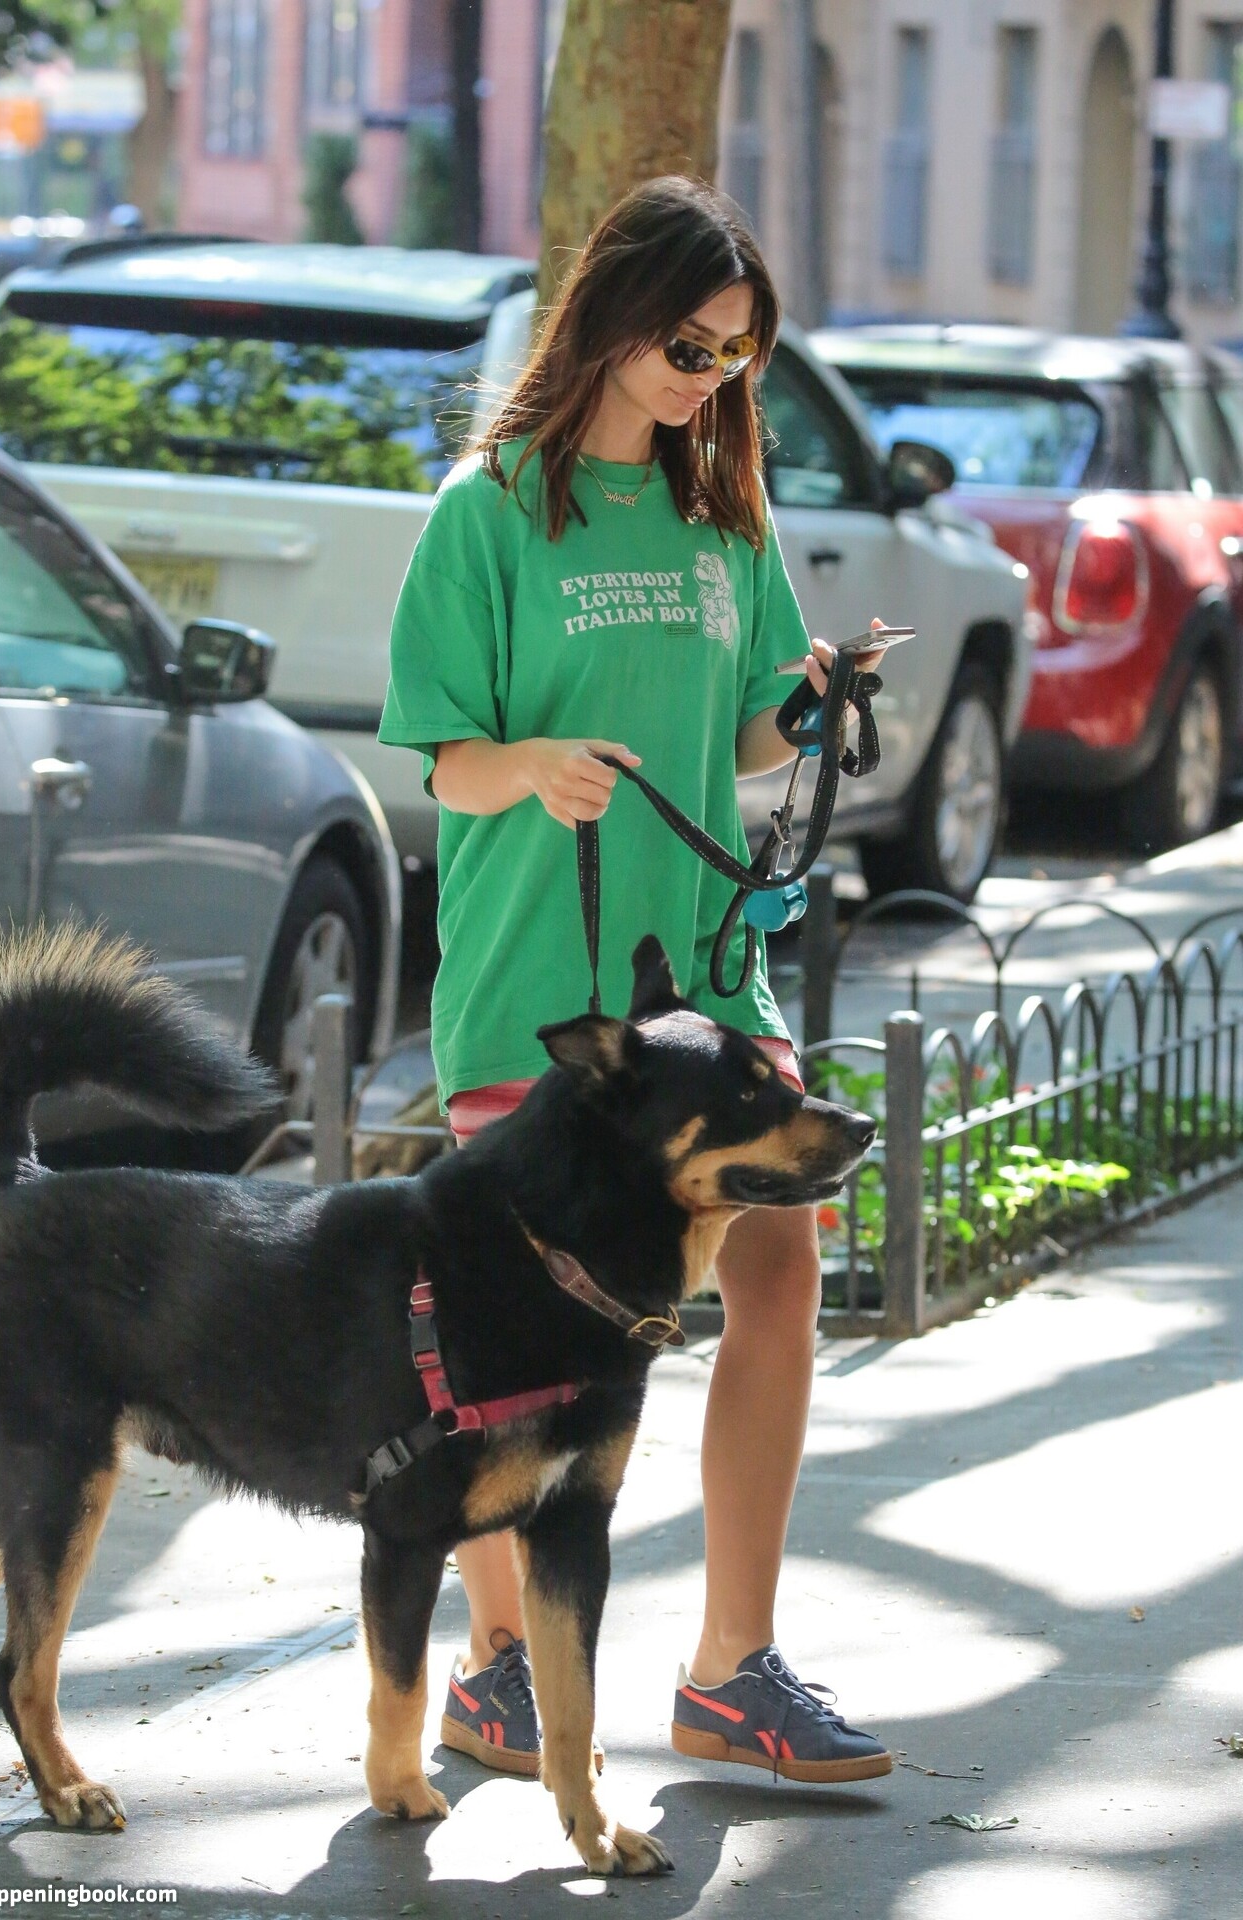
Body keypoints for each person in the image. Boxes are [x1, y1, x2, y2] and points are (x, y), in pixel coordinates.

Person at [378, 174, 892, 1786]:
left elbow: (743, 737)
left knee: (781, 1270)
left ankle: (733, 1669)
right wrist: (532, 764)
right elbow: (443, 761)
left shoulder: (724, 518)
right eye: (690, 345)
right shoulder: (485, 513)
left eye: (737, 355)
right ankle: (496, 1667)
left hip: (708, 979)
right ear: (609, 318)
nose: (710, 379)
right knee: (511, 1335)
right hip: (542, 981)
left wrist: (812, 705)